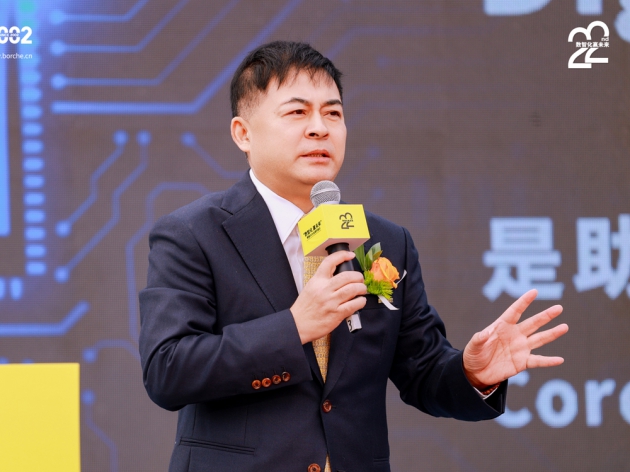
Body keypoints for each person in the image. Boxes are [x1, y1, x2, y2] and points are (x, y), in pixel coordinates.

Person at [139, 41, 568, 472]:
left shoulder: (387, 242)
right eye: (297, 112)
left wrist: (472, 374)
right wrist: (294, 327)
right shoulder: (194, 234)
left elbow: (422, 371)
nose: (319, 128)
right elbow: (167, 369)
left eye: (333, 113)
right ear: (243, 133)